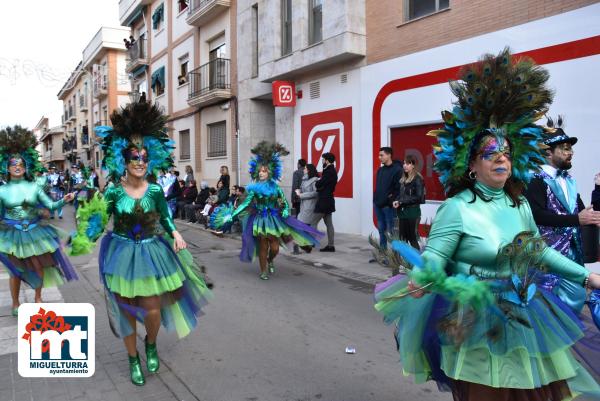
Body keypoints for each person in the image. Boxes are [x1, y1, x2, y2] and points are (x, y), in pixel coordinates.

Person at [374, 49, 600, 401]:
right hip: (477, 320)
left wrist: (586, 276)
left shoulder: (520, 203)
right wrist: (423, 276)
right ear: (471, 165)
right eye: (490, 153)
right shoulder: (457, 208)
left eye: (506, 152)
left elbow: (537, 253)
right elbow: (435, 256)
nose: (500, 158)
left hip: (528, 313)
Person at [73, 98, 211, 386]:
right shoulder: (113, 191)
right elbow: (100, 220)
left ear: (151, 161)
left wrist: (175, 233)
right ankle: (132, 358)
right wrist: (86, 236)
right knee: (125, 312)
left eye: (144, 158)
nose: (139, 162)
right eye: (133, 157)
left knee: (151, 308)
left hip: (151, 251)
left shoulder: (157, 190)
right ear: (124, 161)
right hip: (121, 252)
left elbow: (166, 218)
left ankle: (150, 342)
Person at [212, 142, 323, 280]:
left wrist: (284, 211)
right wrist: (231, 215)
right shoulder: (254, 189)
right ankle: (263, 270)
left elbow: (284, 201)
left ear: (269, 172)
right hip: (259, 220)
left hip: (274, 219)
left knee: (275, 248)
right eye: (260, 171)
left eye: (264, 171)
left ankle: (271, 260)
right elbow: (244, 204)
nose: (261, 173)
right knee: (263, 246)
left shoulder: (275, 188)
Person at [524, 116, 600, 314]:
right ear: (548, 152)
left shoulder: (570, 180)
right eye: (565, 148)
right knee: (547, 306)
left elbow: (581, 210)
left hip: (573, 252)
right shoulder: (535, 180)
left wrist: (595, 205)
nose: (571, 152)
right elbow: (537, 216)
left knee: (574, 300)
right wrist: (577, 219)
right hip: (548, 256)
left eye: (570, 148)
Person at [0, 126, 77, 317]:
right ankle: (16, 303)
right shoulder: (2, 190)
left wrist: (63, 200)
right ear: (7, 168)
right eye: (13, 164)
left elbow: (50, 206)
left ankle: (38, 297)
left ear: (26, 168)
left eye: (21, 165)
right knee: (15, 270)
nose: (17, 167)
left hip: (35, 231)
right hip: (12, 233)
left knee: (37, 266)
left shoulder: (34, 187)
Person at [392, 154, 424, 250]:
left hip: (413, 213)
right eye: (404, 163)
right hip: (402, 213)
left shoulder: (418, 179)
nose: (405, 165)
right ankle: (404, 261)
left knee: (412, 238)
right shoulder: (403, 179)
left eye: (408, 163)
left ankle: (417, 263)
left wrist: (401, 201)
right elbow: (401, 195)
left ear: (413, 165)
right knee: (403, 238)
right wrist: (397, 200)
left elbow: (419, 197)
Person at [373, 147, 402, 251]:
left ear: (389, 155)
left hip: (388, 206)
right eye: (379, 155)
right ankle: (383, 253)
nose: (379, 157)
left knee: (392, 231)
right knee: (381, 230)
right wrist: (376, 199)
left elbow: (398, 189)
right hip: (378, 204)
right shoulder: (381, 169)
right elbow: (379, 186)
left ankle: (394, 256)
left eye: (382, 155)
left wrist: (389, 200)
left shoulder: (398, 170)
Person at [313, 152, 338, 252]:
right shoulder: (331, 170)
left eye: (323, 159)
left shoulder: (329, 171)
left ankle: (311, 243)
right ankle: (331, 245)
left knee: (312, 222)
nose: (322, 161)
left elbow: (320, 184)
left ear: (327, 160)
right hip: (328, 199)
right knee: (329, 224)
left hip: (324, 200)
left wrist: (318, 183)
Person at [294, 163, 319, 254]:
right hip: (303, 205)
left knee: (303, 224)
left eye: (305, 168)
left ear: (308, 170)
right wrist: (298, 192)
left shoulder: (314, 180)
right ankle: (307, 244)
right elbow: (304, 190)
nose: (303, 169)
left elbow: (316, 193)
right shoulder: (304, 179)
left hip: (310, 205)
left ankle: (307, 244)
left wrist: (301, 195)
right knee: (303, 225)